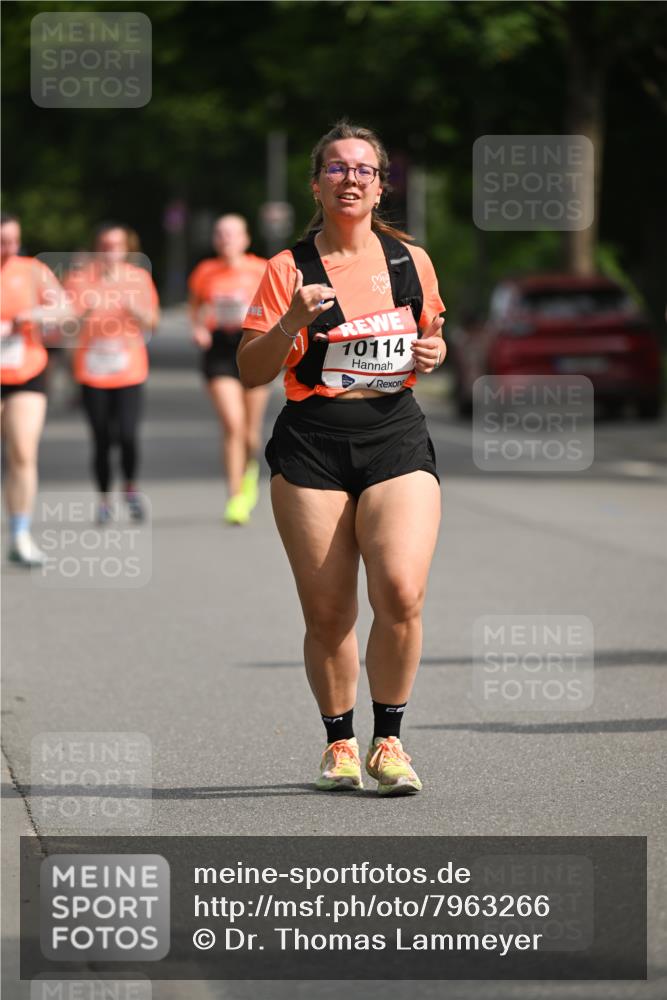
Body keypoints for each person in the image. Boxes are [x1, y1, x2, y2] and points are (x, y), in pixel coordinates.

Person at [238, 122, 446, 796]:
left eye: (363, 169)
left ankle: (389, 741)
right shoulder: (288, 269)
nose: (350, 179)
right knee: (329, 614)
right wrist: (291, 323)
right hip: (313, 445)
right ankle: (339, 743)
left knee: (401, 591)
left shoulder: (410, 261)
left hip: (394, 437)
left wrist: (433, 353)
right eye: (336, 168)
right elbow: (250, 371)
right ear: (316, 184)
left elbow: (431, 337)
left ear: (380, 186)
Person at [65, 224, 159, 524]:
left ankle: (129, 487)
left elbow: (152, 323)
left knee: (128, 435)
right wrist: (84, 313)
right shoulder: (79, 279)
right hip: (92, 370)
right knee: (102, 438)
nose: (110, 251)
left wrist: (135, 310)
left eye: (116, 245)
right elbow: (67, 326)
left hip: (129, 370)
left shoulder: (139, 278)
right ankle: (104, 499)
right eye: (105, 245)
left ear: (127, 248)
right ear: (97, 247)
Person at [1, 213, 71, 566]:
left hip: (26, 371)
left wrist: (34, 315)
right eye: (2, 242)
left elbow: (65, 308)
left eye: (14, 240)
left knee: (23, 453)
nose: (10, 248)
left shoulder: (31, 270)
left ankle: (20, 535)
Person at [188, 215, 268, 524]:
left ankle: (249, 468)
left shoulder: (261, 269)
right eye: (220, 234)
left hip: (253, 344)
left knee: (250, 434)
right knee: (233, 425)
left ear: (246, 239)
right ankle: (235, 497)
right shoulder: (205, 271)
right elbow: (195, 308)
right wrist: (198, 328)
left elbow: (278, 307)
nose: (226, 239)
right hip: (220, 348)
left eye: (232, 234)